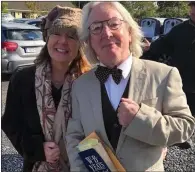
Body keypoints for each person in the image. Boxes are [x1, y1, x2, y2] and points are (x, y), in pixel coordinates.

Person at [66, 2, 195, 171]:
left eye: (113, 24)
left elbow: (184, 127)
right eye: (96, 28)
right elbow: (74, 137)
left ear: (129, 32)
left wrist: (140, 119)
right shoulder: (80, 86)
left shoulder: (163, 75)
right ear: (89, 41)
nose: (106, 32)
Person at [2, 5, 90, 172]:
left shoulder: (90, 82)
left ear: (81, 43)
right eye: (56, 33)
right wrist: (37, 149)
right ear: (47, 37)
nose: (63, 41)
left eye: (72, 36)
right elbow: (10, 124)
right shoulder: (23, 79)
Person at [142, 1, 195, 116]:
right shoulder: (180, 30)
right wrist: (150, 47)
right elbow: (162, 44)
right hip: (185, 86)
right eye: (192, 6)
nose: (192, 10)